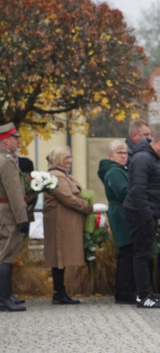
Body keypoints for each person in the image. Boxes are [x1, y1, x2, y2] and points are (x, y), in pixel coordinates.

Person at [125, 129, 160, 308]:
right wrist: (148, 215)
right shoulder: (143, 159)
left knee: (146, 255)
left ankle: (147, 292)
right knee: (141, 255)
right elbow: (138, 191)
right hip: (140, 214)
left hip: (149, 212)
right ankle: (143, 295)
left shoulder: (154, 158)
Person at [41, 146, 93, 305]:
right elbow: (68, 198)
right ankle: (58, 293)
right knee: (59, 256)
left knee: (60, 257)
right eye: (67, 158)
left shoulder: (62, 175)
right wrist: (87, 207)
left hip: (63, 221)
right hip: (59, 222)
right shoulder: (56, 176)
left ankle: (60, 291)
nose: (70, 161)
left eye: (70, 157)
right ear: (58, 159)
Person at [98, 141, 134, 305]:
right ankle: (124, 292)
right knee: (127, 253)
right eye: (119, 153)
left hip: (123, 212)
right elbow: (123, 192)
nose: (123, 156)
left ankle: (126, 291)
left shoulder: (120, 170)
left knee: (128, 253)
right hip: (121, 213)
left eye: (125, 153)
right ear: (110, 156)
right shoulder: (114, 172)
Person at [0, 123, 29, 313]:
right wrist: (22, 218)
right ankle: (4, 299)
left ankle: (6, 296)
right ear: (5, 140)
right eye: (14, 138)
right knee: (6, 255)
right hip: (8, 212)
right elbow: (14, 194)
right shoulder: (7, 162)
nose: (18, 141)